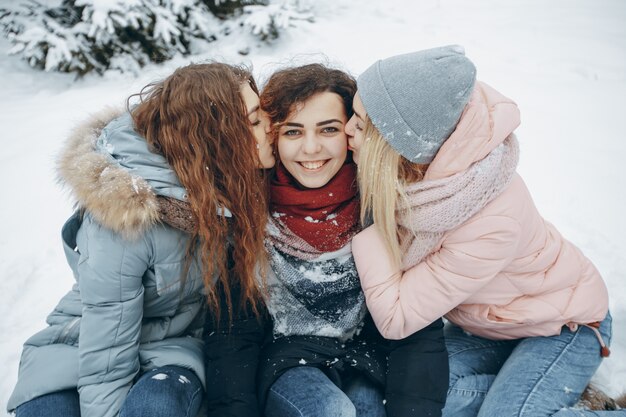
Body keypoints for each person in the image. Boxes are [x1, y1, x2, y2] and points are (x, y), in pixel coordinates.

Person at [345, 45, 613, 417]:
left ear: (396, 144)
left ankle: (558, 400)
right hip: (495, 329)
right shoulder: (422, 177)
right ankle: (535, 390)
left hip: (565, 325)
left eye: (360, 123)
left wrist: (368, 226)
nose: (346, 130)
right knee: (408, 390)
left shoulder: (486, 217)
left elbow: (397, 316)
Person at [7, 62, 274, 417]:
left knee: (155, 406)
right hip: (81, 349)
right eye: (254, 120)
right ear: (216, 138)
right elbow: (106, 348)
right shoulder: (130, 217)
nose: (270, 127)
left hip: (171, 350)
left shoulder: (233, 189)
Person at [241, 63, 445, 417]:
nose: (310, 148)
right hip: (286, 362)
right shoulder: (251, 207)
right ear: (273, 135)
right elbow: (233, 329)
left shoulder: (381, 203)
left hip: (364, 359)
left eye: (328, 129)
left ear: (352, 131)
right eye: (293, 132)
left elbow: (417, 323)